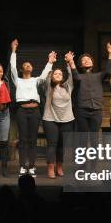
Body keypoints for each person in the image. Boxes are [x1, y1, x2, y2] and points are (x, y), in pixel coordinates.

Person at [10, 39, 53, 177]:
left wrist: (50, 62)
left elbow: (45, 74)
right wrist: (13, 51)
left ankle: (32, 166)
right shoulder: (18, 80)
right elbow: (12, 68)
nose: (28, 66)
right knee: (23, 139)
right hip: (22, 110)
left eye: (30, 65)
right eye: (25, 65)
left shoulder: (36, 80)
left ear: (32, 68)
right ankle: (23, 166)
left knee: (33, 139)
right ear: (22, 69)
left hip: (35, 110)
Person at [42, 51, 76, 179]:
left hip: (67, 120)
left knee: (62, 145)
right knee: (52, 144)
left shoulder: (68, 87)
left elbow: (73, 75)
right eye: (55, 73)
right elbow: (44, 76)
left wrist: (69, 63)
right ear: (52, 76)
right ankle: (51, 167)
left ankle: (59, 167)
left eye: (59, 73)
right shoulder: (48, 87)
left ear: (62, 76)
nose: (57, 75)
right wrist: (50, 62)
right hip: (50, 119)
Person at [71, 43, 111, 135]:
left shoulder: (98, 75)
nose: (86, 60)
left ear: (92, 63)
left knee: (94, 137)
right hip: (82, 109)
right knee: (82, 137)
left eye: (88, 59)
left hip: (96, 110)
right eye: (83, 60)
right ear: (80, 65)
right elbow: (76, 77)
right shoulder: (79, 76)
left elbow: (108, 72)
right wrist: (71, 62)